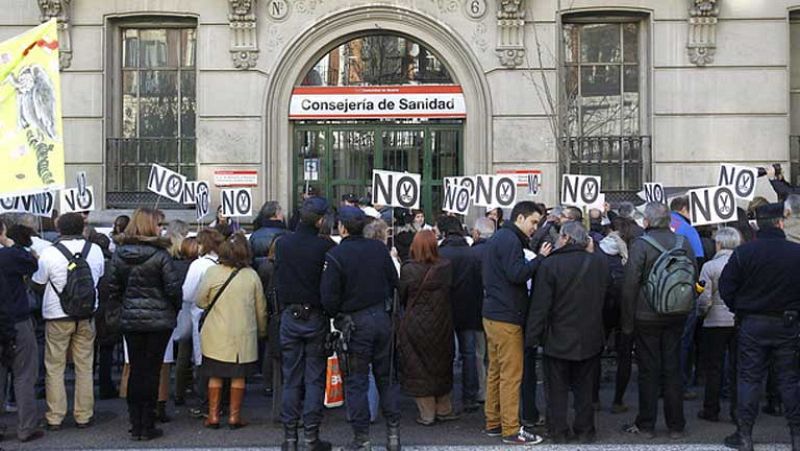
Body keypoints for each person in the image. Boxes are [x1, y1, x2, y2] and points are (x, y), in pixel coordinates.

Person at [719, 203, 800, 451]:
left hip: (752, 322)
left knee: (749, 379)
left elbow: (726, 288)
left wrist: (740, 309)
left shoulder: (744, 253)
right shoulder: (795, 253)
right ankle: (797, 436)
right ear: (780, 223)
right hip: (788, 323)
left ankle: (745, 435)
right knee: (789, 380)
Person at [321, 206, 401, 451]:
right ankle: (393, 436)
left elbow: (328, 298)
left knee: (356, 382)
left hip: (355, 323)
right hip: (381, 319)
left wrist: (337, 315)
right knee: (386, 379)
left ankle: (362, 439)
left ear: (342, 228)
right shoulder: (378, 249)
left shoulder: (336, 255)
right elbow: (395, 283)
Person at [527, 221, 609, 443]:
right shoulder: (598, 263)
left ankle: (559, 431)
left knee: (557, 389)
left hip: (558, 336)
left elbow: (540, 305)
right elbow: (606, 299)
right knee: (585, 388)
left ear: (565, 238)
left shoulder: (550, 265)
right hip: (590, 335)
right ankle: (585, 430)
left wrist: (532, 337)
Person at [621, 202, 696, 439]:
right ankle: (676, 426)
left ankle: (646, 425)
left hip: (647, 315)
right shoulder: (683, 242)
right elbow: (693, 273)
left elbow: (630, 285)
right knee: (673, 368)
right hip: (677, 314)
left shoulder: (641, 245)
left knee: (649, 370)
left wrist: (627, 323)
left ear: (647, 221)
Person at [108, 208, 182, 441]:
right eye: (159, 224)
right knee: (151, 372)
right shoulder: (161, 255)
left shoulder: (119, 254)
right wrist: (172, 309)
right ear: (151, 226)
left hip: (131, 319)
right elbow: (172, 289)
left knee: (136, 370)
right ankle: (147, 424)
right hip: (158, 321)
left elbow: (112, 288)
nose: (162, 228)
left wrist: (123, 308)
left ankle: (135, 423)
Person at [481, 201, 550, 445]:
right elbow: (517, 274)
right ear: (520, 218)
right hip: (507, 316)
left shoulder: (500, 237)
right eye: (533, 222)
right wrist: (539, 259)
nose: (535, 227)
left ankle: (493, 422)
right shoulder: (510, 240)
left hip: (493, 313)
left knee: (496, 371)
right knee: (511, 374)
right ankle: (510, 429)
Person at [274, 196, 336, 451]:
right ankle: (311, 436)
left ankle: (290, 438)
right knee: (313, 379)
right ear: (321, 220)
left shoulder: (283, 244)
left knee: (291, 378)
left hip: (290, 315)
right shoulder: (324, 246)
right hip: (315, 316)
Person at [32, 213, 104, 431]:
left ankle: (55, 416)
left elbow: (38, 282)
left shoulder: (49, 253)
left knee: (55, 366)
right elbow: (98, 277)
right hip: (86, 314)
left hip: (57, 315)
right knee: (84, 365)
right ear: (82, 227)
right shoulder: (95, 250)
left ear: (59, 229)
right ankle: (84, 414)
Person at [196, 233, 267, 429]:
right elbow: (260, 309)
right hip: (242, 336)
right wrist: (261, 332)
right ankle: (235, 417)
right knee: (238, 376)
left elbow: (200, 301)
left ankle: (213, 416)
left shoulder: (212, 272)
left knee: (215, 375)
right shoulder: (252, 275)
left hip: (215, 334)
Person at [398, 230, 456, 425]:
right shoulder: (446, 266)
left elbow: (403, 296)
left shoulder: (408, 269)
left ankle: (427, 414)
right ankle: (444, 408)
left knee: (417, 366)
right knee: (441, 363)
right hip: (442, 322)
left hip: (415, 323)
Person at [0, 218, 43, 443]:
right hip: (16, 318)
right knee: (24, 375)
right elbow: (31, 263)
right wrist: (9, 243)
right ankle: (26, 427)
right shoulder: (10, 255)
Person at [696, 227, 740, 424]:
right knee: (737, 367)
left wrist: (702, 314)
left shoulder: (709, 266)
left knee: (713, 368)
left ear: (719, 244)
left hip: (714, 321)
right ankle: (737, 411)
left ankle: (711, 409)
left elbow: (703, 297)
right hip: (738, 320)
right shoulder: (744, 265)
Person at [437, 216, 482, 413]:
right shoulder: (472, 254)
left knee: (445, 355)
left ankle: (445, 399)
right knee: (469, 354)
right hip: (470, 309)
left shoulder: (440, 253)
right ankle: (469, 396)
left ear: (444, 232)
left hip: (445, 309)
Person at [182, 228, 225, 418]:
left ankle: (206, 403)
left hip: (201, 316)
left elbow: (187, 293)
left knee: (202, 359)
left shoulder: (199, 265)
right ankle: (221, 403)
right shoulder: (223, 263)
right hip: (222, 317)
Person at [669, 196, 705, 401]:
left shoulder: (662, 226)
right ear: (684, 209)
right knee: (682, 342)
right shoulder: (688, 229)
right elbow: (699, 261)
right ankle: (680, 385)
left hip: (656, 295)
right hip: (682, 293)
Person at [595, 230, 631, 414]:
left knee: (595, 354)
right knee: (624, 355)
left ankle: (594, 399)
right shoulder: (627, 259)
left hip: (601, 310)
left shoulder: (597, 258)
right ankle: (618, 400)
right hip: (624, 310)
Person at [471, 217, 495, 404]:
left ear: (477, 233)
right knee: (495, 353)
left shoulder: (473, 253)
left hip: (478, 307)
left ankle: (484, 390)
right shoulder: (498, 250)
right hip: (497, 309)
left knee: (480, 353)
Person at [172, 237, 198, 407]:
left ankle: (179, 391)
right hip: (194, 309)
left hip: (181, 310)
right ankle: (194, 388)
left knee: (183, 353)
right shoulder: (198, 266)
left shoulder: (175, 266)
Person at [250, 201, 288, 268]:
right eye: (281, 212)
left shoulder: (255, 236)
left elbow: (251, 259)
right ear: (277, 213)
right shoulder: (287, 235)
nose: (283, 215)